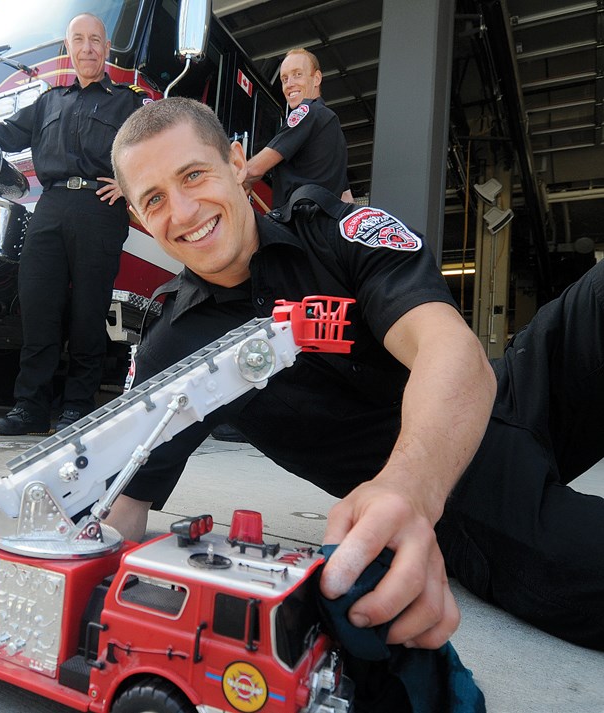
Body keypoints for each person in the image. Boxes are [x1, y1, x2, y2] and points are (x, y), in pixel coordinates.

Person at [104, 97, 604, 652]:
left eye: (193, 175)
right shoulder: (173, 349)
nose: (184, 210)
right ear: (138, 218)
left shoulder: (338, 232)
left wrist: (409, 489)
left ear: (237, 162)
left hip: (494, 413)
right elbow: (121, 503)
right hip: (472, 501)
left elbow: (449, 349)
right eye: (154, 200)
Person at [0, 14, 147, 435]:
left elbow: (157, 147)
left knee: (88, 313)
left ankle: (78, 407)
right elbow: (2, 134)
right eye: (79, 39)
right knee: (38, 309)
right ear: (69, 48)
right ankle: (30, 408)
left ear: (107, 48)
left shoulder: (127, 103)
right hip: (51, 207)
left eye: (95, 40)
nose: (88, 47)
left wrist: (132, 185)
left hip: (99, 210)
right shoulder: (48, 101)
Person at [244, 48, 354, 206]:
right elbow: (347, 198)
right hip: (321, 228)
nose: (289, 84)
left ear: (316, 79)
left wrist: (232, 179)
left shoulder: (308, 111)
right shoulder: (333, 127)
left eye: (297, 74)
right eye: (284, 79)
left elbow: (253, 170)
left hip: (294, 225)